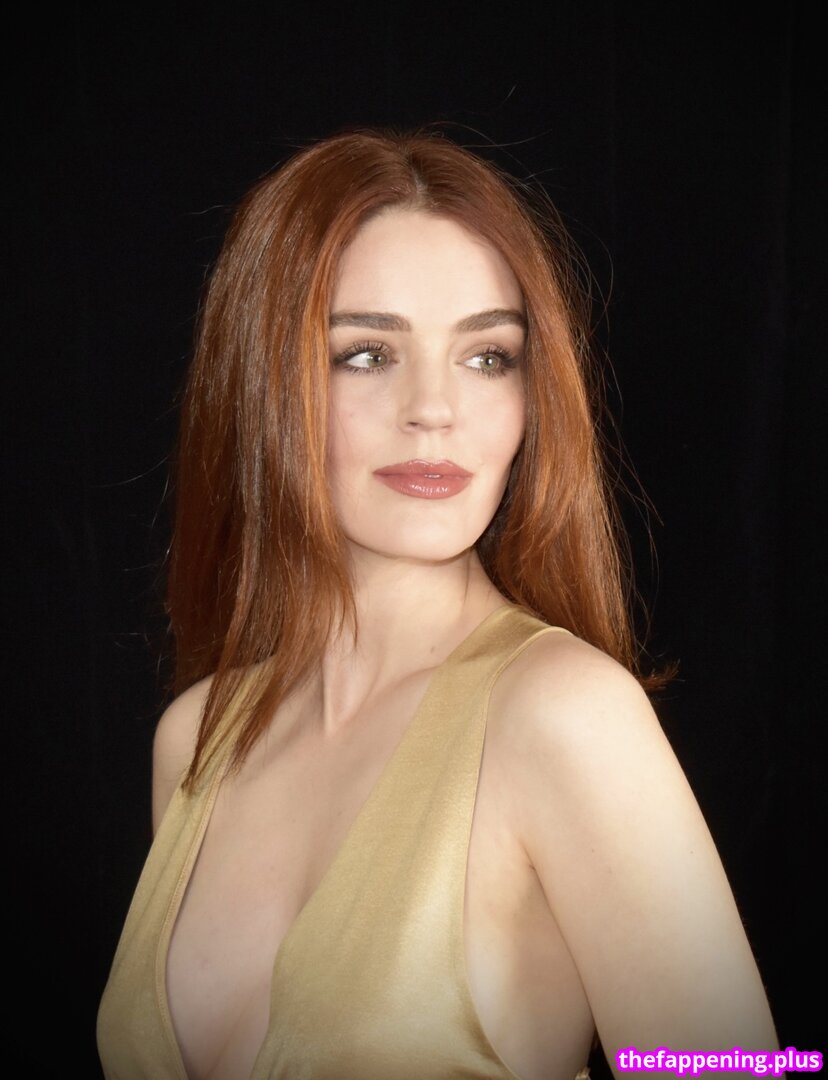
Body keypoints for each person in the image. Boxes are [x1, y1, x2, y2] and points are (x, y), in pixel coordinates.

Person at [97, 129, 777, 1080]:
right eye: (367, 354)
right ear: (261, 378)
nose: (434, 408)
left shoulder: (563, 715)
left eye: (488, 357)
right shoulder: (195, 740)